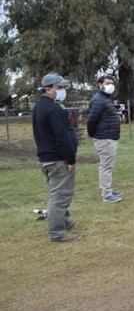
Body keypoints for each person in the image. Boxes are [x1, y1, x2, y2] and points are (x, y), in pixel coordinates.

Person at [32, 72, 81, 242]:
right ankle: (57, 233)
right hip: (57, 159)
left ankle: (66, 221)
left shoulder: (39, 107)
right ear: (48, 89)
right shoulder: (54, 110)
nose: (62, 90)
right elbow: (63, 137)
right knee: (60, 196)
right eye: (59, 87)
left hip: (46, 158)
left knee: (57, 193)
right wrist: (71, 159)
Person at [87, 75, 123, 203]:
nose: (110, 85)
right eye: (107, 83)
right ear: (100, 85)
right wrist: (92, 134)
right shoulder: (98, 100)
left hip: (109, 137)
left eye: (111, 83)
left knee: (108, 165)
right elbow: (91, 119)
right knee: (106, 166)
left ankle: (108, 189)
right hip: (104, 138)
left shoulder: (105, 99)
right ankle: (107, 194)